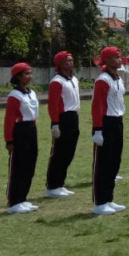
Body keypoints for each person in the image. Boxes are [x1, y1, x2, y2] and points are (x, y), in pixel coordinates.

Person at [91, 47, 127, 216]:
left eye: (119, 57)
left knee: (114, 161)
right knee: (103, 163)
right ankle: (100, 202)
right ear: (106, 60)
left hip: (117, 121)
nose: (119, 60)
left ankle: (109, 198)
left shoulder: (118, 79)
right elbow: (97, 106)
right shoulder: (103, 80)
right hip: (106, 123)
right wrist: (98, 129)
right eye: (115, 57)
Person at [4, 62, 39, 214]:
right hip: (20, 131)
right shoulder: (14, 95)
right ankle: (14, 201)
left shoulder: (31, 93)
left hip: (31, 129)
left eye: (30, 73)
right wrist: (9, 140)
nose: (29, 76)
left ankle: (23, 198)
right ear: (17, 77)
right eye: (26, 74)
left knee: (29, 166)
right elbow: (9, 119)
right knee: (18, 166)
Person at [44, 51, 79, 198]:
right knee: (59, 153)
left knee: (69, 152)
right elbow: (53, 104)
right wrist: (55, 123)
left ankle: (60, 183)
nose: (70, 63)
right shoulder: (57, 81)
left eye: (71, 60)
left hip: (73, 117)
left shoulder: (74, 79)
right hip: (63, 118)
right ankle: (52, 186)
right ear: (59, 64)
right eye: (67, 61)